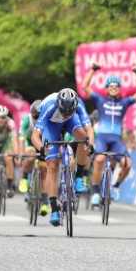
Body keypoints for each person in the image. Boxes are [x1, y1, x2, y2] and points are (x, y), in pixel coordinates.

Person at [82, 65, 136, 206]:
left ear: (119, 88)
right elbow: (85, 87)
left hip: (116, 140)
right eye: (110, 86)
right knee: (99, 160)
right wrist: (92, 70)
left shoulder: (124, 102)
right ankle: (96, 191)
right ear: (106, 88)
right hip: (102, 138)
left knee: (127, 164)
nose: (113, 87)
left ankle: (116, 186)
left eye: (116, 86)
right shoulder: (100, 100)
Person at [31, 88, 90, 226]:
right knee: (52, 165)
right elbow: (35, 136)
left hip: (70, 123)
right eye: (64, 111)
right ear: (59, 104)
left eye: (69, 111)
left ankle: (79, 178)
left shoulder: (78, 105)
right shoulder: (49, 106)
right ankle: (54, 209)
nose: (66, 114)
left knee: (83, 139)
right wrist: (41, 148)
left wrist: (90, 144)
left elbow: (89, 130)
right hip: (51, 126)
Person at [18, 100, 49, 216]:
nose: (36, 117)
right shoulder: (27, 119)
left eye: (39, 115)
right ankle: (25, 179)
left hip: (43, 145)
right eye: (34, 115)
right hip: (30, 144)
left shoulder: (47, 119)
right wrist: (21, 153)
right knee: (30, 155)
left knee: (44, 170)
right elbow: (21, 138)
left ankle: (45, 200)